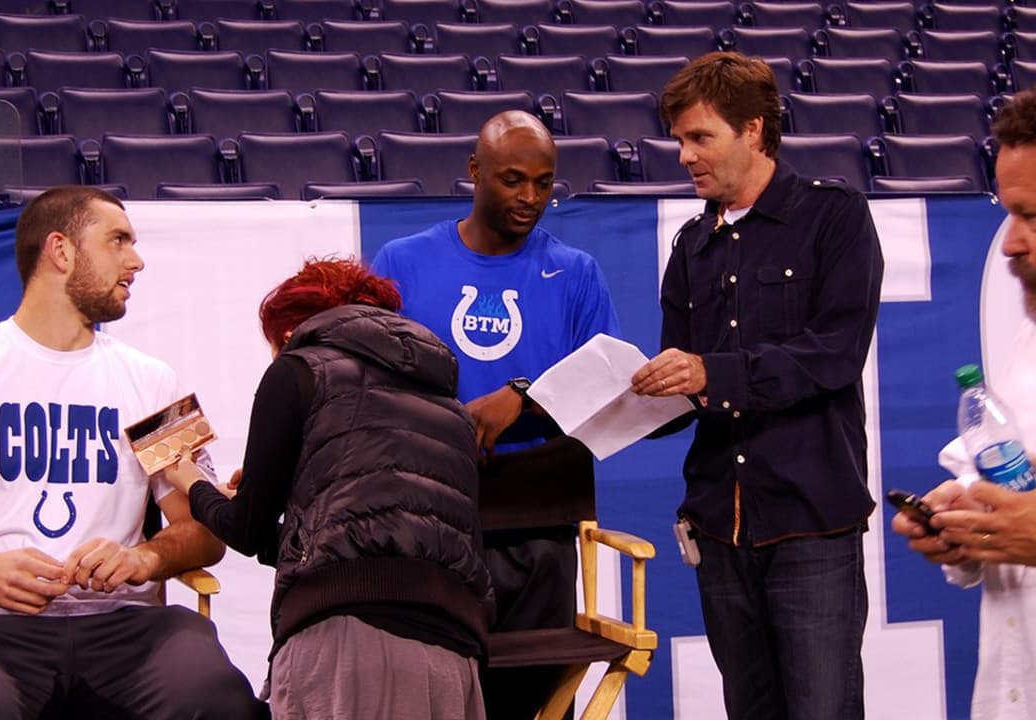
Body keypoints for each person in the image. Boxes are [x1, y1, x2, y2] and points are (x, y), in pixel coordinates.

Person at [0, 186, 265, 720]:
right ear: (61, 251)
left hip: (128, 626)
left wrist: (145, 557)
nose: (136, 261)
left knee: (219, 701)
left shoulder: (155, 383)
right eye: (118, 241)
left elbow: (207, 531)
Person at [630, 52, 884, 719]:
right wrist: (633, 397)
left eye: (699, 137)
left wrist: (712, 372)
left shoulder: (837, 217)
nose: (683, 155)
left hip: (811, 527)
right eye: (679, 139)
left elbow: (833, 355)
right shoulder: (691, 246)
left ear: (755, 131)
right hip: (719, 531)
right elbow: (682, 388)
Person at [370, 110, 622, 719]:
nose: (531, 198)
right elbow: (367, 389)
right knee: (430, 698)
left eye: (544, 182)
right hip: (427, 523)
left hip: (542, 530)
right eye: (513, 180)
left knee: (531, 701)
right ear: (475, 172)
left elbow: (608, 387)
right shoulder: (400, 263)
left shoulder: (577, 273)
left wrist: (526, 394)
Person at [163, 258, 494, 720]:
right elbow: (379, 538)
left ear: (287, 333)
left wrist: (192, 483)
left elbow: (246, 531)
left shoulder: (300, 369)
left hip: (349, 641)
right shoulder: (451, 410)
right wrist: (299, 518)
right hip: (456, 653)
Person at [891, 88, 1036, 720]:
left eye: (1033, 217)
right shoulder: (1025, 344)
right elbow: (1013, 487)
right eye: (1009, 215)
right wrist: (963, 521)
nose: (1009, 243)